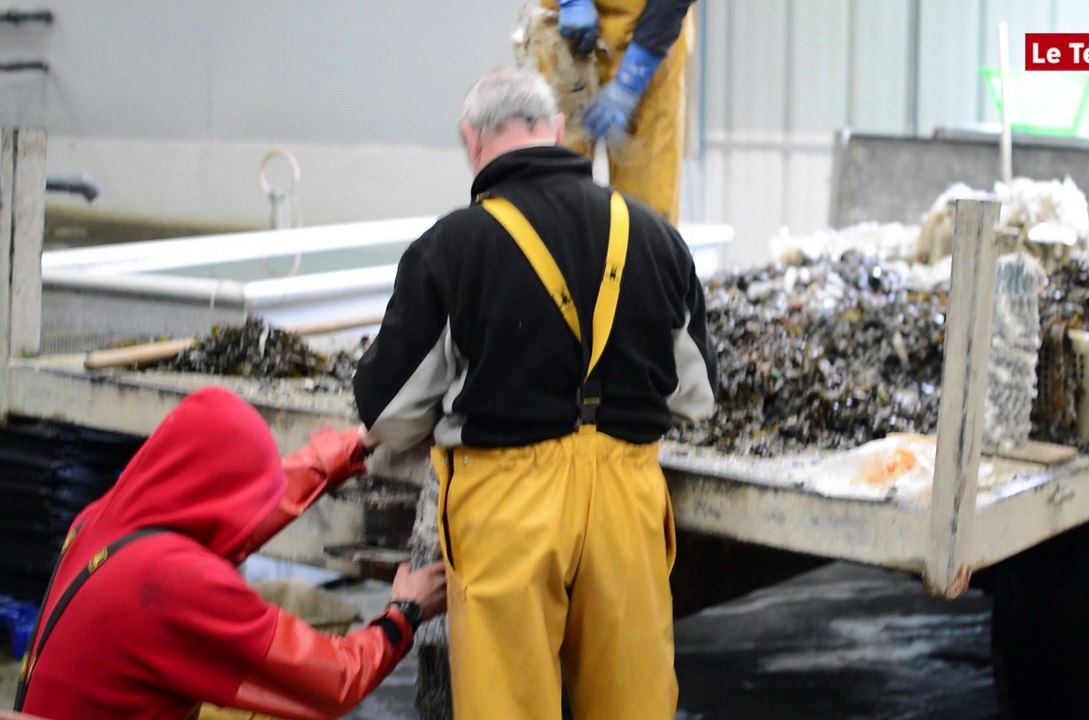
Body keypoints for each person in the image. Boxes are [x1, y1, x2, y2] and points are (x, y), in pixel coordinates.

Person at [353, 67, 716, 719]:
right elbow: (696, 398)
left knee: (507, 702)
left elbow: (391, 414)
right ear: (555, 132)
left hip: (507, 506)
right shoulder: (656, 236)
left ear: (472, 141)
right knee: (634, 701)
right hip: (625, 500)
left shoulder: (449, 249)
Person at [15, 386, 447, 720]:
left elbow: (239, 505)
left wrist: (350, 445)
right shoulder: (177, 587)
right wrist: (402, 615)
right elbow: (331, 681)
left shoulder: (102, 517)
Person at [540, 0, 696, 223]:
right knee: (553, 191)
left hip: (650, 30)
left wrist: (631, 80)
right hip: (566, 27)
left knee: (646, 209)